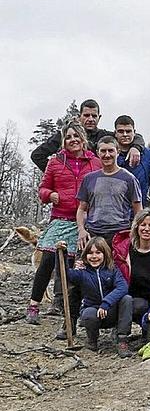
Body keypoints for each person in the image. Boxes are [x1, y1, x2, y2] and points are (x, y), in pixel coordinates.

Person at [26, 120, 100, 325]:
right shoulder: (55, 162)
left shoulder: (95, 162)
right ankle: (34, 305)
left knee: (77, 265)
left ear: (83, 138)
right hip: (60, 218)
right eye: (68, 137)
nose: (73, 140)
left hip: (85, 221)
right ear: (63, 140)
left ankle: (78, 311)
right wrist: (50, 194)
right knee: (48, 259)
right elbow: (42, 189)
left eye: (76, 136)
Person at [31, 99, 145, 172]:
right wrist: (58, 174)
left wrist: (136, 148)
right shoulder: (65, 136)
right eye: (86, 115)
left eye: (94, 116)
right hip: (70, 192)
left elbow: (132, 136)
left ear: (99, 117)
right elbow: (37, 155)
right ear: (79, 116)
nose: (90, 119)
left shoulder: (104, 136)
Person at [67, 236, 133, 357]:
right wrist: (61, 254)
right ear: (85, 255)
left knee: (127, 299)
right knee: (88, 315)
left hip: (110, 311)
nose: (94, 256)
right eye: (90, 253)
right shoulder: (82, 272)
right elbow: (65, 274)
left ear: (105, 254)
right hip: (93, 311)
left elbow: (122, 287)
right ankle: (92, 340)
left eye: (98, 252)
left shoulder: (112, 269)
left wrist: (107, 302)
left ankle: (122, 340)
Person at [76, 136, 142, 248]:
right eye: (103, 151)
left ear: (118, 152)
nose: (107, 155)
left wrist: (134, 233)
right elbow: (82, 208)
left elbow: (138, 209)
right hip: (93, 233)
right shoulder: (89, 179)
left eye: (111, 150)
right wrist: (81, 229)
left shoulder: (129, 179)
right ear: (98, 153)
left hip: (120, 233)